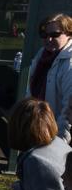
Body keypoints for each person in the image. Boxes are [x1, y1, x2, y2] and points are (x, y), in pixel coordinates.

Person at [27, 13, 72, 144]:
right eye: (44, 35)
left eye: (55, 35)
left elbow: (68, 111)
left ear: (69, 33)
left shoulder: (69, 62)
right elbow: (30, 90)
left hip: (55, 136)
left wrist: (59, 144)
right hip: (38, 127)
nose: (49, 39)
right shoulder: (42, 54)